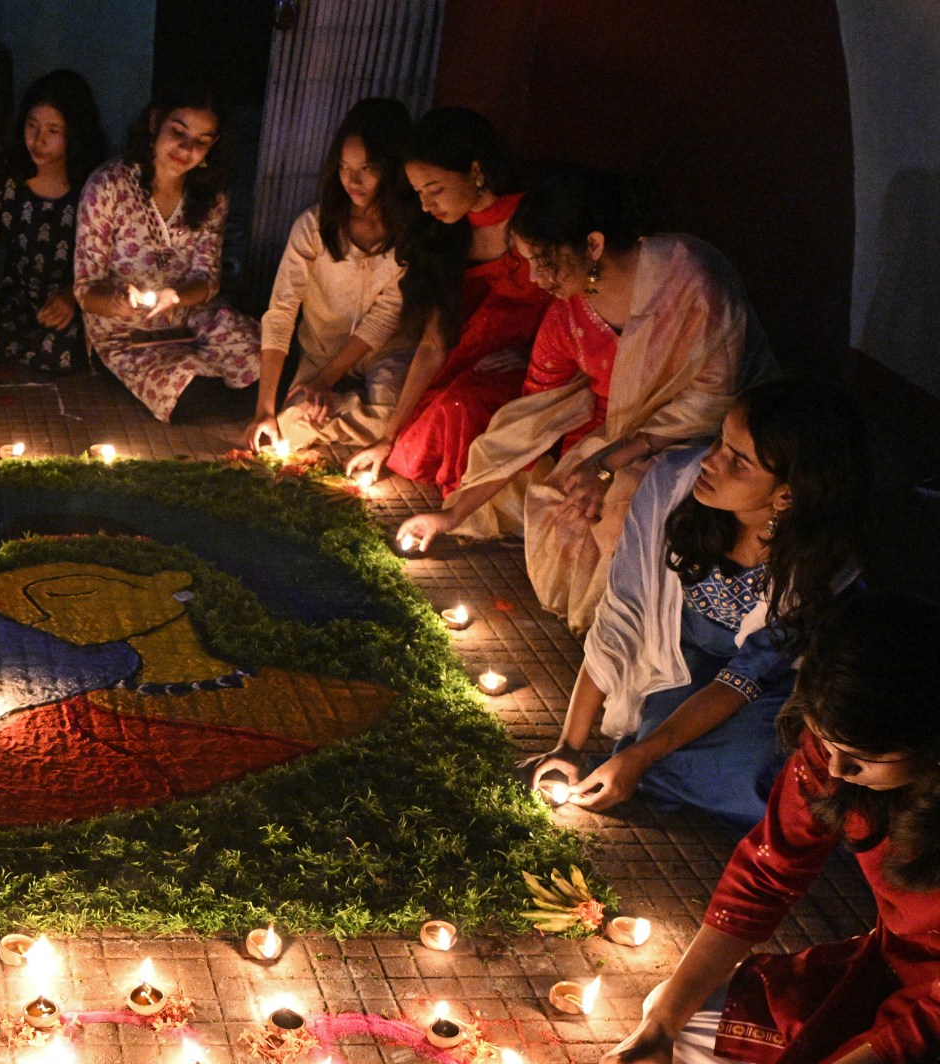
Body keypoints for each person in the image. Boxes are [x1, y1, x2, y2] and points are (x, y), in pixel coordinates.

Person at [585, 590, 940, 1064]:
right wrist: (659, 1027)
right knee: (679, 1017)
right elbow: (767, 874)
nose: (833, 770)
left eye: (860, 757)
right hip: (892, 970)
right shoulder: (835, 754)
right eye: (825, 743)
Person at [396, 166, 775, 629]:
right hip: (624, 436)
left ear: (593, 245)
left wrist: (608, 463)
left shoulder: (691, 282)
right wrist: (451, 515)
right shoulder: (572, 310)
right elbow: (534, 416)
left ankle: (624, 641)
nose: (535, 278)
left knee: (622, 502)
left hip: (721, 442)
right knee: (563, 496)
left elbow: (711, 405)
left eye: (543, 260)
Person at [530, 379, 867, 832]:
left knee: (756, 773)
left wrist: (640, 756)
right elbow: (623, 614)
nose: (710, 461)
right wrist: (569, 745)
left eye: (738, 461)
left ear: (786, 494)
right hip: (679, 661)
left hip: (769, 686)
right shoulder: (673, 487)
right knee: (653, 739)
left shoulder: (819, 560)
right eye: (720, 442)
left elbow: (748, 673)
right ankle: (645, 767)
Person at [0, 535, 394, 823]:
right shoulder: (63, 721)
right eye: (25, 613)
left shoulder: (336, 699)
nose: (46, 616)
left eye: (67, 592)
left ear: (169, 582)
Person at [345, 107, 550, 494]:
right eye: (419, 193)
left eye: (435, 189)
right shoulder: (446, 237)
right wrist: (386, 438)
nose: (426, 205)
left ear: (475, 171)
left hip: (547, 361)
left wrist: (537, 359)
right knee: (413, 446)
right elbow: (432, 344)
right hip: (477, 357)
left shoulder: (536, 218)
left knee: (463, 410)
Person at [73, 78, 260, 422]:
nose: (186, 149)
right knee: (200, 397)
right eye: (179, 132)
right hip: (126, 334)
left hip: (193, 317)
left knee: (267, 369)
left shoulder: (210, 193)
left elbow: (207, 279)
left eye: (201, 142)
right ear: (156, 121)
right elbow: (86, 289)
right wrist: (117, 304)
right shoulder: (108, 186)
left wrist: (175, 296)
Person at [247, 97, 416, 461]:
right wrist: (265, 407)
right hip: (320, 352)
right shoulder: (315, 226)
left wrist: (326, 384)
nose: (351, 180)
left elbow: (385, 317)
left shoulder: (408, 235)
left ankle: (344, 412)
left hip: (384, 351)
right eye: (343, 166)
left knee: (392, 418)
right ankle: (339, 413)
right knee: (284, 427)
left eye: (367, 168)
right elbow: (281, 309)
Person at [0, 68, 105, 374]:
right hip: (17, 297)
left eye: (53, 130)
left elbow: (112, 260)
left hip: (77, 301)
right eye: (32, 126)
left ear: (74, 132)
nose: (38, 140)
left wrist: (71, 295)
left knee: (58, 356)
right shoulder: (7, 172)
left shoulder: (96, 182)